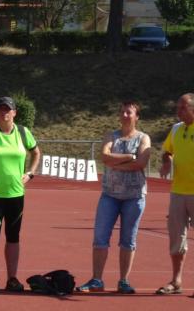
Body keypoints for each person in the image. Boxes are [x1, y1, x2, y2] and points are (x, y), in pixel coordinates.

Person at [77, 101, 151, 294]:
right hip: (110, 195)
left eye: (129, 112)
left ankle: (123, 281)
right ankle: (97, 280)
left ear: (137, 117)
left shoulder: (143, 138)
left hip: (134, 196)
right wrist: (129, 157)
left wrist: (116, 162)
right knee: (100, 237)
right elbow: (104, 157)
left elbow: (141, 163)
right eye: (122, 112)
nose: (125, 115)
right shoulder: (111, 136)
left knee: (128, 239)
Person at [0, 96, 41, 292]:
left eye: (8, 109)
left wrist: (30, 173)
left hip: (16, 194)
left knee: (13, 236)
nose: (4, 112)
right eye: (1, 109)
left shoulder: (23, 132)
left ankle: (12, 278)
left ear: (14, 113)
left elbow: (36, 152)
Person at [156, 93, 194, 295]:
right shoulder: (177, 129)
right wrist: (166, 161)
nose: (178, 111)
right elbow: (167, 151)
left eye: (182, 108)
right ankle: (176, 281)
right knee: (176, 239)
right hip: (178, 192)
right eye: (178, 107)